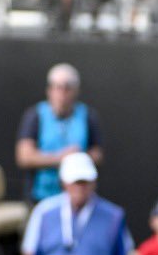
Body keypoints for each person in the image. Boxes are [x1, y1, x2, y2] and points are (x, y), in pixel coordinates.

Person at [15, 63, 104, 204]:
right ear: (49, 90)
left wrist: (79, 159)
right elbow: (24, 156)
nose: (62, 94)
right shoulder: (35, 116)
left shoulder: (88, 116)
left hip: (77, 200)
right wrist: (60, 158)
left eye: (67, 88)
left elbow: (98, 153)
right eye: (57, 87)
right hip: (41, 197)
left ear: (76, 91)